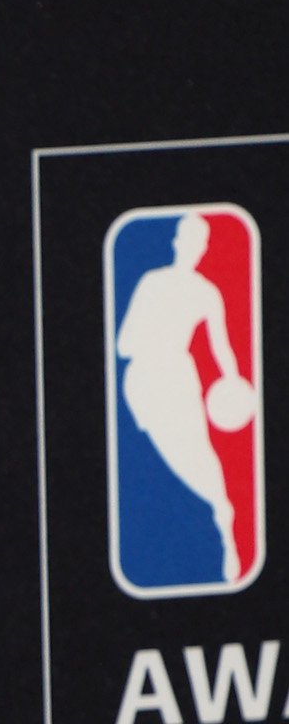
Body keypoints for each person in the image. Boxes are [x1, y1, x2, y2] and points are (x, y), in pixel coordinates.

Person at [116, 208, 248, 579]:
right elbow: (123, 344)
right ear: (176, 242)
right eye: (187, 238)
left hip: (178, 377)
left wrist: (235, 382)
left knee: (197, 451)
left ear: (204, 248)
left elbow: (222, 346)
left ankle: (224, 522)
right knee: (165, 458)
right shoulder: (152, 283)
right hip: (144, 382)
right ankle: (214, 518)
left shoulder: (207, 293)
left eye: (199, 241)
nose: (192, 247)